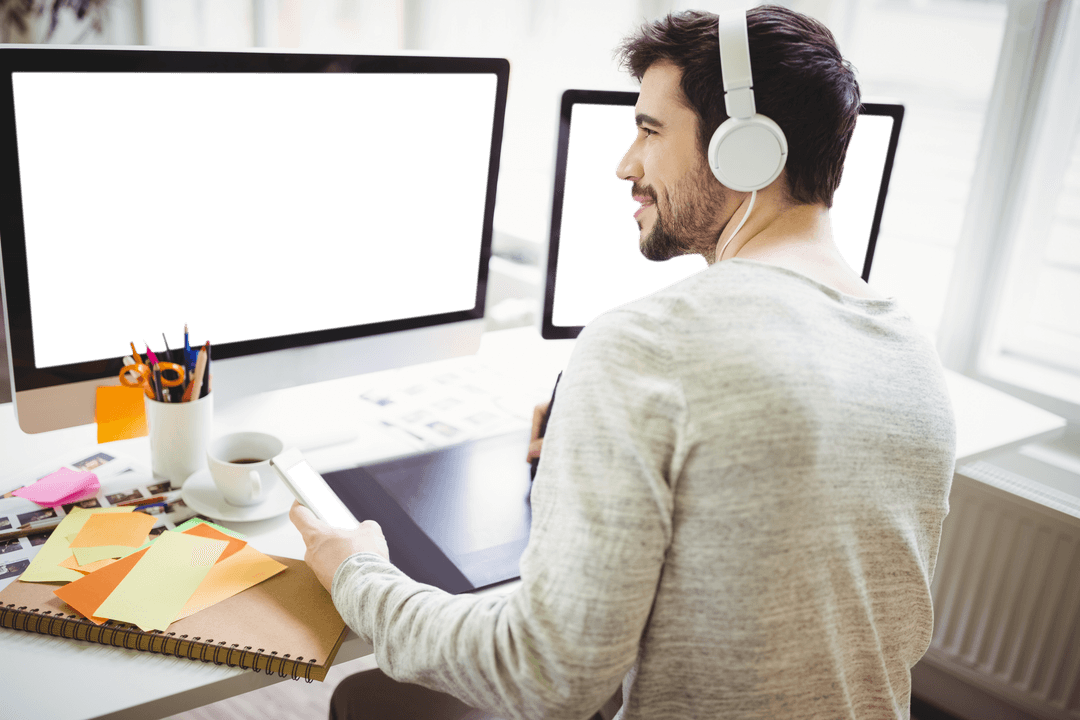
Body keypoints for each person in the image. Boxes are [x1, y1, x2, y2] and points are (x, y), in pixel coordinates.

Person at [290, 6, 957, 719]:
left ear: (746, 149)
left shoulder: (645, 345)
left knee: (376, 704)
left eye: (648, 130)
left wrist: (358, 577)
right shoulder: (913, 354)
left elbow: (543, 675)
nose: (624, 165)